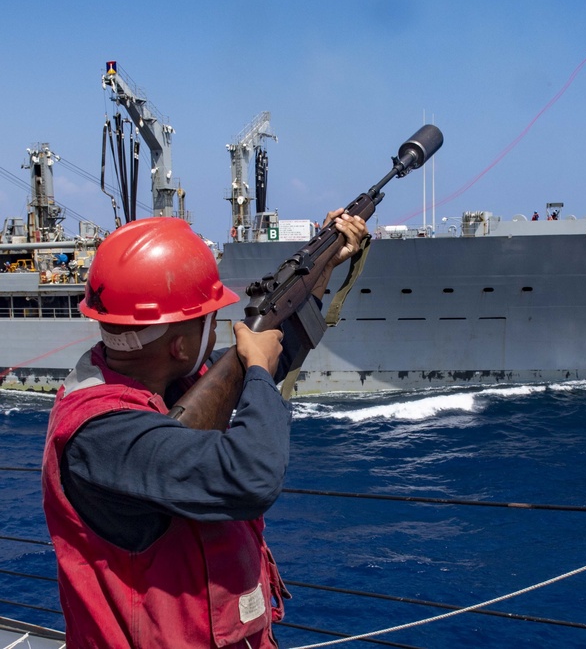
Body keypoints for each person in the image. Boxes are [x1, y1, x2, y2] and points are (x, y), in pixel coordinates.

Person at [41, 210, 368, 648]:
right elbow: (251, 475)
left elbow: (270, 355)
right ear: (179, 345)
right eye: (209, 321)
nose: (218, 331)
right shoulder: (103, 436)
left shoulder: (156, 382)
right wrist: (255, 370)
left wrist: (325, 265)